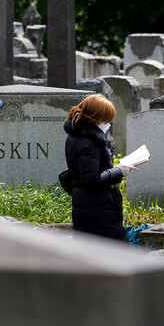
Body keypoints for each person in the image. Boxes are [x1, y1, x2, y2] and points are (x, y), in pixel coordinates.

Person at [63, 94, 135, 241]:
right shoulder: (89, 142)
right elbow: (91, 180)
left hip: (86, 206)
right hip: (98, 211)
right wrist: (119, 171)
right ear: (96, 119)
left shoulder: (74, 136)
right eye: (106, 120)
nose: (108, 124)